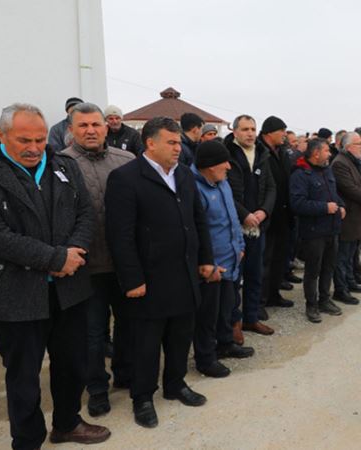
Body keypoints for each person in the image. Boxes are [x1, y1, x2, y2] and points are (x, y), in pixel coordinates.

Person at [0, 103, 110, 447]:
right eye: (24, 140)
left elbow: (85, 213)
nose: (35, 147)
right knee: (23, 375)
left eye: (39, 138)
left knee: (71, 364)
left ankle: (67, 423)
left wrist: (73, 253)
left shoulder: (63, 164)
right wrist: (55, 258)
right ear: (0, 135)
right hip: (16, 293)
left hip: (69, 289)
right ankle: (27, 438)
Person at [105, 116, 214, 428]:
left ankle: (175, 384)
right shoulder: (126, 178)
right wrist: (132, 278)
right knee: (146, 343)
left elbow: (198, 219)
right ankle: (142, 396)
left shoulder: (183, 174)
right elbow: (120, 235)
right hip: (149, 279)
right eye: (171, 142)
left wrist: (205, 258)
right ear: (150, 143)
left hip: (184, 272)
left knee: (181, 335)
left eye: (179, 142)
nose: (178, 148)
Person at [60, 102, 135, 417]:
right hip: (86, 269)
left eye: (96, 124)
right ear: (71, 130)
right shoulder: (59, 165)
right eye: (83, 125)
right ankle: (97, 389)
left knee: (129, 326)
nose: (90, 130)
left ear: (107, 127)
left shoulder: (128, 161)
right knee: (92, 334)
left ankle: (126, 374)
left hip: (124, 265)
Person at [191, 140, 254, 379]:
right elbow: (197, 231)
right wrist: (205, 262)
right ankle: (206, 358)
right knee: (208, 313)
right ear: (209, 166)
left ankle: (225, 343)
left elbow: (231, 218)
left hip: (231, 257)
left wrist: (239, 245)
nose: (228, 166)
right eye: (223, 162)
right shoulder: (194, 188)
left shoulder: (222, 183)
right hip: (211, 264)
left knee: (227, 305)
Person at [223, 115, 276, 335]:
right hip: (234, 227)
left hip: (258, 226)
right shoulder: (226, 153)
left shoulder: (262, 154)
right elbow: (223, 188)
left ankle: (251, 318)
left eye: (253, 128)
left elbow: (272, 187)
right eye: (245, 129)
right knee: (234, 278)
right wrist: (244, 214)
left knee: (256, 273)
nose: (250, 133)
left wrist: (264, 211)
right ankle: (234, 322)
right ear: (234, 131)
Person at [290, 138, 346, 323]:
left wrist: (341, 205)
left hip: (332, 229)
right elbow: (297, 203)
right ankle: (311, 305)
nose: (330, 154)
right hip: (313, 231)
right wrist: (324, 208)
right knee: (313, 270)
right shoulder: (300, 175)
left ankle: (324, 300)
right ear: (316, 153)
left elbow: (334, 194)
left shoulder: (326, 170)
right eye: (326, 151)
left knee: (328, 267)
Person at [258, 116, 296, 312]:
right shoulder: (260, 151)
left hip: (283, 214)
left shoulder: (281, 152)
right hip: (267, 216)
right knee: (264, 261)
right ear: (268, 133)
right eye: (281, 130)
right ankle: (260, 301)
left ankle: (273, 294)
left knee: (278, 259)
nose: (284, 134)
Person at [331, 132, 361, 305]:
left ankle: (350, 282)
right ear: (348, 147)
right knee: (342, 256)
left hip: (357, 216)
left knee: (351, 254)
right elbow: (350, 188)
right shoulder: (340, 163)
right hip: (348, 218)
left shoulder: (355, 161)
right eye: (358, 143)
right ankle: (341, 289)